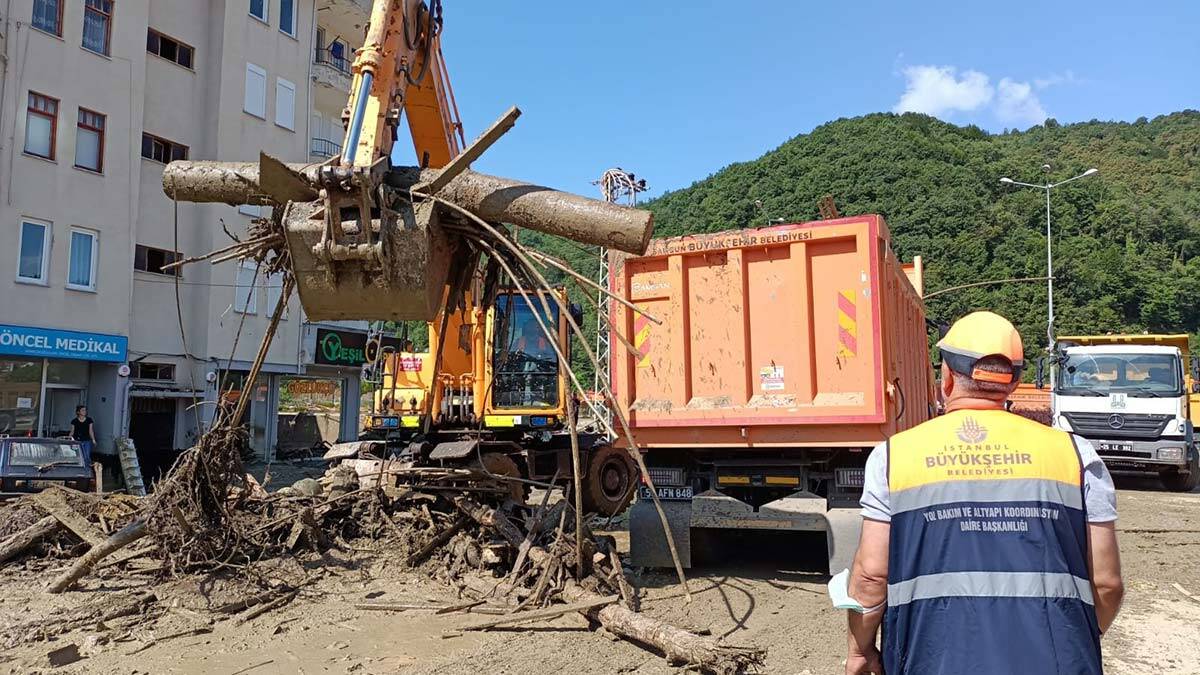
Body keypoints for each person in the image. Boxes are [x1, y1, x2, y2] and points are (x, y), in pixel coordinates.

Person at [843, 311, 1125, 675]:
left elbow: (871, 577)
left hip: (929, 660)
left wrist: (860, 651)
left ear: (946, 378)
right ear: (1012, 381)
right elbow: (1106, 583)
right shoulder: (1075, 454)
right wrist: (1074, 634)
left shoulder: (894, 457)